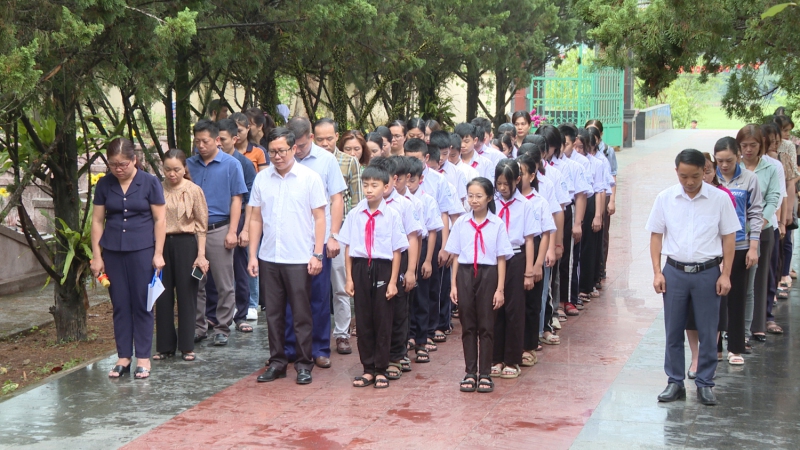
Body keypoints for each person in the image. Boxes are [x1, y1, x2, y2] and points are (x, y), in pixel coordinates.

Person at [647, 149, 740, 406]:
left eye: (696, 176)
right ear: (676, 172)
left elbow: (729, 237)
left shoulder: (719, 199)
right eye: (684, 176)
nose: (689, 182)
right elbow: (656, 235)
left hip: (707, 273)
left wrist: (726, 274)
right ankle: (675, 381)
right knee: (673, 330)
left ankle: (705, 382)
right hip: (674, 272)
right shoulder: (665, 198)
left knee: (709, 331)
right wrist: (657, 272)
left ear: (706, 172)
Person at [248, 127, 327, 385]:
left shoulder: (309, 178)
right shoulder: (262, 178)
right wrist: (252, 255)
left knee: (302, 313)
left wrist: (318, 253)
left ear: (294, 149)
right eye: (272, 152)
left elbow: (319, 217)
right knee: (273, 314)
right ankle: (278, 362)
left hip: (299, 257)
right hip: (270, 257)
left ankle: (304, 364)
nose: (277, 156)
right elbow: (256, 218)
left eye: (282, 150)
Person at [91, 138, 166, 379]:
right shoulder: (104, 185)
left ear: (134, 160)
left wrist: (158, 253)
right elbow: (97, 220)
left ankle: (143, 357)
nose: (118, 169)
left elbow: (160, 220)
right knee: (120, 304)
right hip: (113, 251)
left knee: (143, 303)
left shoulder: (150, 182)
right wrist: (96, 255)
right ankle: (124, 356)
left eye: (123, 164)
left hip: (142, 249)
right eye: (113, 164)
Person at [684, 143, 760, 372]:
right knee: (711, 303)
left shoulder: (743, 182)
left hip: (738, 245)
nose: (724, 165)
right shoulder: (698, 192)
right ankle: (710, 351)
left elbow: (754, 212)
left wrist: (753, 245)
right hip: (708, 254)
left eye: (729, 160)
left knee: (736, 297)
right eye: (720, 161)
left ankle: (735, 346)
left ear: (737, 157)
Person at [284, 117, 347, 368]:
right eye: (293, 146)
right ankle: (291, 347)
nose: (296, 151)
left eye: (300, 145)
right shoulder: (283, 158)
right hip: (291, 241)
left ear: (310, 138)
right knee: (291, 296)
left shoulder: (326, 160)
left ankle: (320, 348)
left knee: (319, 296)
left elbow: (337, 199)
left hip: (319, 240)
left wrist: (333, 235)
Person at [342, 165, 409, 388]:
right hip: (361, 267)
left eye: (375, 185)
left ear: (386, 187)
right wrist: (349, 278)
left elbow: (397, 250)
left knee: (383, 319)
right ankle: (367, 368)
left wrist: (392, 282)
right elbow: (349, 247)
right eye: (366, 185)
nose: (369, 190)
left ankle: (381, 367)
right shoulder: (355, 214)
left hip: (383, 267)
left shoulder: (392, 215)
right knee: (363, 320)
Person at [447, 178, 514, 393]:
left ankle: (485, 373)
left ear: (489, 198)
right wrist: (454, 285)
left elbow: (502, 257)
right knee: (468, 325)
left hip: (488, 273)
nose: (474, 200)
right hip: (466, 273)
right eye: (470, 196)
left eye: (479, 196)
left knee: (487, 325)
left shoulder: (497, 224)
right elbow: (456, 255)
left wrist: (500, 289)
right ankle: (469, 372)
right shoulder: (461, 223)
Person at [186, 120, 248, 346]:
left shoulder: (231, 165)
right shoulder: (189, 165)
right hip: (192, 232)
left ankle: (223, 327)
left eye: (205, 141)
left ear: (217, 141)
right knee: (196, 281)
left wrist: (233, 231)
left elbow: (237, 200)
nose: (201, 146)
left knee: (224, 283)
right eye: (197, 142)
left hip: (218, 231)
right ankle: (199, 326)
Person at [491, 160, 552, 379]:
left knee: (514, 309)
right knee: (495, 308)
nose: (503, 188)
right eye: (499, 183)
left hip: (516, 257)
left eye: (507, 183)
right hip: (494, 259)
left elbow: (528, 240)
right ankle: (495, 358)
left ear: (518, 180)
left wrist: (529, 270)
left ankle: (512, 359)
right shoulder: (492, 203)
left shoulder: (526, 205)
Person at [368, 156, 424, 379]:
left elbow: (413, 238)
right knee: (377, 313)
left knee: (399, 310)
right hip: (375, 264)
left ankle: (397, 356)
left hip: (397, 264)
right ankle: (377, 355)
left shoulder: (404, 205)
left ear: (393, 180)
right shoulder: (368, 205)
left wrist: (411, 270)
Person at [154, 149, 209, 362]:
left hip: (187, 244)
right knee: (163, 295)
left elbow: (201, 225)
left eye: (176, 169)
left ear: (184, 168)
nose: (172, 174)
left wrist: (201, 255)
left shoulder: (193, 190)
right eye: (167, 169)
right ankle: (165, 346)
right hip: (162, 243)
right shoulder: (158, 188)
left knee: (187, 295)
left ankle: (187, 346)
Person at [314, 119, 362, 356]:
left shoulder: (348, 161)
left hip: (340, 234)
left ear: (337, 137)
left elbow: (357, 200)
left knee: (341, 285)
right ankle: (314, 335)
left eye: (329, 138)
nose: (325, 143)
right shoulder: (305, 161)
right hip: (312, 235)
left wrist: (350, 235)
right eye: (320, 139)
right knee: (315, 287)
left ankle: (342, 334)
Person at [205, 119, 256, 334]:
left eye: (222, 140)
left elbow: (252, 198)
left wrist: (244, 230)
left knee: (239, 270)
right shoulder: (203, 162)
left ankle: (241, 315)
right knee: (212, 273)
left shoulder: (242, 164)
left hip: (240, 219)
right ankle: (212, 316)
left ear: (234, 139)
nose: (218, 143)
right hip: (212, 226)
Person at [738, 125, 782, 343]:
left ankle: (758, 325)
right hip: (735, 232)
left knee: (760, 277)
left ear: (760, 146)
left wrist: (759, 223)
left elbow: (773, 198)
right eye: (744, 145)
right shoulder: (732, 166)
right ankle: (733, 326)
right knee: (738, 279)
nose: (748, 150)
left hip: (763, 230)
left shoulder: (770, 168)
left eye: (753, 145)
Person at [406, 156, 444, 363]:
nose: (408, 185)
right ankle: (408, 336)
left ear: (420, 180)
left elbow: (432, 232)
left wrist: (428, 260)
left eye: (412, 181)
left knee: (422, 297)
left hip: (422, 250)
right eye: (405, 180)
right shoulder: (399, 200)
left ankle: (422, 338)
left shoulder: (427, 200)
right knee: (406, 298)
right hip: (404, 251)